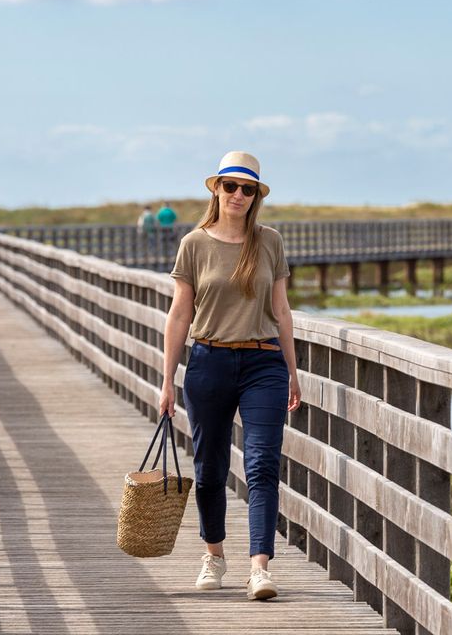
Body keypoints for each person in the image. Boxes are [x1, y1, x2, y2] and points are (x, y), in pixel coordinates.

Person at [160, 150, 301, 600]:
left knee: (262, 464)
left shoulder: (270, 242)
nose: (238, 195)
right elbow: (180, 314)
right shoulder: (194, 244)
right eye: (230, 186)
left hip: (264, 364)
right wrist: (166, 380)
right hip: (209, 362)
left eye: (247, 189)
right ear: (216, 190)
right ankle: (214, 556)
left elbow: (281, 311)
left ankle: (259, 567)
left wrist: (294, 372)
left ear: (256, 195)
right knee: (209, 469)